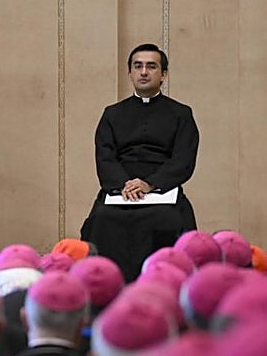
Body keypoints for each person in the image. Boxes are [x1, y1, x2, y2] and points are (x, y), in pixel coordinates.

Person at [81, 44, 200, 283]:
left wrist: (150, 184)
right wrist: (125, 184)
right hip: (120, 191)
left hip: (162, 191)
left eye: (151, 66)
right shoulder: (112, 114)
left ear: (163, 74)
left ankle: (164, 282)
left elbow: (183, 159)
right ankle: (106, 285)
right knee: (100, 220)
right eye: (138, 66)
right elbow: (105, 157)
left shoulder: (181, 114)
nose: (144, 72)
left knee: (170, 220)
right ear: (130, 73)